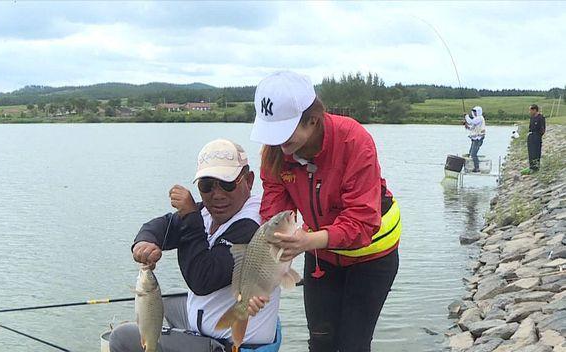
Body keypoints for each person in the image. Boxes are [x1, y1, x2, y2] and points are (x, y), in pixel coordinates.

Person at [247, 71, 401, 352]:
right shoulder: (276, 151)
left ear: (313, 120)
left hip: (373, 254)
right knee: (320, 341)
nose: (278, 144)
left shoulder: (353, 141)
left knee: (353, 344)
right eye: (272, 133)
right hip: (322, 255)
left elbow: (362, 222)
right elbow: (274, 211)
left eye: (284, 133)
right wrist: (264, 276)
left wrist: (307, 241)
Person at [109, 139, 282, 352]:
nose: (217, 195)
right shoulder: (209, 211)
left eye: (227, 184)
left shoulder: (254, 225)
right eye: (207, 186)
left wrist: (190, 216)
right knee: (165, 299)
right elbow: (163, 226)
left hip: (231, 344)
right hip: (207, 323)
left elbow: (202, 278)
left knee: (120, 337)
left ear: (249, 180)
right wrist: (144, 243)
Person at [521, 104, 546, 175]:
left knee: (536, 152)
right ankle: (531, 167)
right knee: (531, 152)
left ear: (535, 110)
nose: (529, 112)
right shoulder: (532, 117)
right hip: (531, 136)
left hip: (537, 136)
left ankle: (536, 167)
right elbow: (530, 127)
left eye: (530, 110)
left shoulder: (540, 117)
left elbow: (542, 129)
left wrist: (538, 135)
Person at [464, 106, 486, 172]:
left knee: (473, 154)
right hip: (475, 139)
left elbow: (471, 122)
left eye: (475, 112)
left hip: (478, 139)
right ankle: (473, 167)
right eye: (474, 112)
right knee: (471, 153)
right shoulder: (476, 119)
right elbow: (472, 127)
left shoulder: (479, 118)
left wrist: (466, 116)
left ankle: (477, 168)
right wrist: (467, 126)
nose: (474, 113)